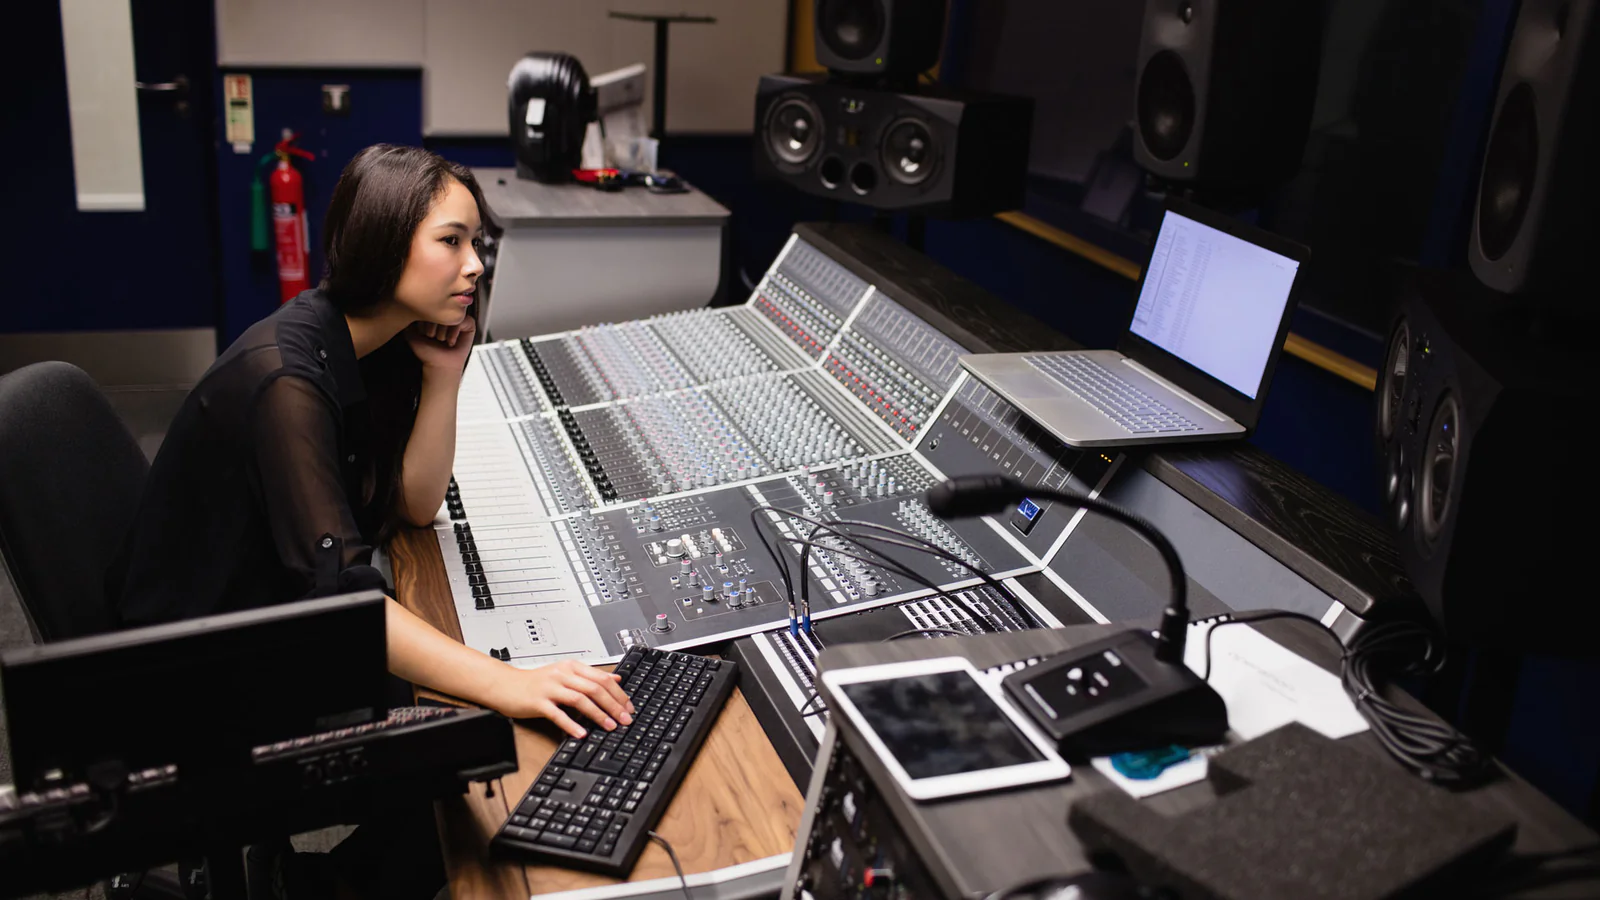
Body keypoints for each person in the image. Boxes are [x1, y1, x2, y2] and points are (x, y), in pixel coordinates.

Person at [110, 145, 631, 897]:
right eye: (451, 241)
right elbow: (344, 606)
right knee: (478, 750)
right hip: (198, 670)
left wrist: (444, 376)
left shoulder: (377, 343)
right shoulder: (287, 380)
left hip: (268, 615)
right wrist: (509, 683)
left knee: (468, 728)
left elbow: (415, 505)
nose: (475, 265)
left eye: (477, 242)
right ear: (385, 245)